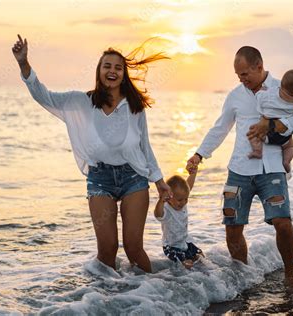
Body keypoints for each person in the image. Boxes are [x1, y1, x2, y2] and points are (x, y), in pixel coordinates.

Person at [11, 34, 172, 273]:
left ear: (123, 74)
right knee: (107, 251)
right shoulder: (82, 101)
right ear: (99, 71)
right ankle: (105, 304)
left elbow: (145, 147)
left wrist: (159, 181)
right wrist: (24, 63)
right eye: (107, 66)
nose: (112, 71)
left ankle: (153, 300)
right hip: (100, 180)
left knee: (133, 248)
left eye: (118, 68)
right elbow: (43, 96)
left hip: (133, 179)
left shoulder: (134, 106)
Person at [186, 46, 293, 286]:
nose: (241, 79)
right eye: (237, 75)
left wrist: (274, 126)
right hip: (239, 169)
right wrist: (199, 155)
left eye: (245, 74)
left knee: (282, 223)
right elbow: (220, 128)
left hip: (272, 168)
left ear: (259, 66)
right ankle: (244, 277)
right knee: (232, 228)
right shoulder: (235, 95)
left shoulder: (281, 89)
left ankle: (289, 275)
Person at [248, 69, 293, 177]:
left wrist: (261, 91)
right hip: (284, 135)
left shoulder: (270, 94)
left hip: (266, 132)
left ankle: (257, 150)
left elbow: (260, 97)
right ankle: (286, 161)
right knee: (290, 146)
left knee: (253, 135)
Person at [154, 166, 204, 269]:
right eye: (180, 200)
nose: (184, 202)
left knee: (201, 257)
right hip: (171, 247)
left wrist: (193, 173)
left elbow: (189, 185)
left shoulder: (182, 202)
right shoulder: (167, 209)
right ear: (169, 197)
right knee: (186, 264)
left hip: (184, 242)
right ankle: (181, 280)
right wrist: (161, 200)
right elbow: (158, 215)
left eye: (186, 199)